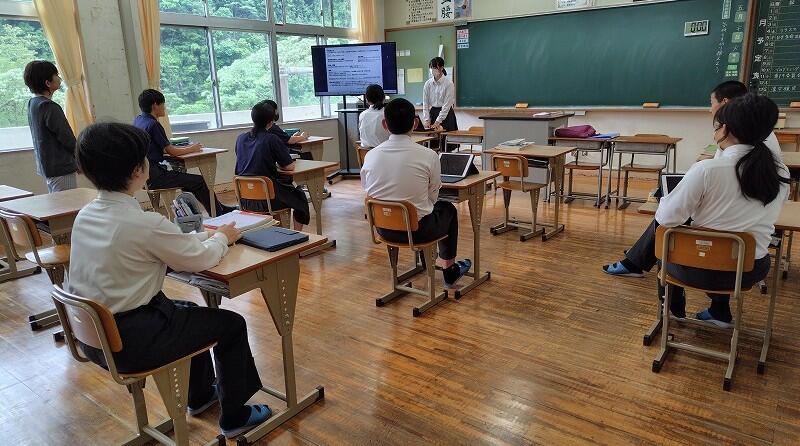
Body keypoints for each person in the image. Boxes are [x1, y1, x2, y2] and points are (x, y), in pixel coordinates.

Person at [68, 122, 271, 439]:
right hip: (132, 342)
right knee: (231, 324)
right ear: (138, 169)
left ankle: (200, 395)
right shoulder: (142, 223)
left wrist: (209, 235)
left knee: (190, 312)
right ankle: (235, 416)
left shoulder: (87, 215)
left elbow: (168, 244)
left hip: (96, 338)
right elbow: (199, 259)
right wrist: (223, 239)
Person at [608, 94, 789, 327]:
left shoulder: (706, 170)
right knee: (722, 240)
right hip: (750, 269)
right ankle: (719, 313)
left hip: (698, 269)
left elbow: (666, 218)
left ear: (725, 130)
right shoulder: (780, 172)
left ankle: (672, 312)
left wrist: (669, 198)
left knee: (669, 239)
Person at [361, 98, 471, 287]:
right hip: (417, 232)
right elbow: (433, 195)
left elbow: (368, 189)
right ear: (414, 123)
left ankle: (411, 268)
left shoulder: (370, 155)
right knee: (447, 209)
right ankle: (449, 270)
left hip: (383, 229)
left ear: (384, 124)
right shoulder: (428, 155)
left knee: (422, 209)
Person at [133, 89, 232, 216]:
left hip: (144, 176)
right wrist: (192, 149)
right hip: (156, 176)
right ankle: (218, 212)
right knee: (199, 181)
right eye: (163, 104)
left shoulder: (138, 120)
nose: (164, 107)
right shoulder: (153, 124)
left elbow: (161, 147)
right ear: (155, 105)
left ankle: (217, 209)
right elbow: (171, 151)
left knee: (188, 181)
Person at [235, 101, 310, 230]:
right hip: (269, 198)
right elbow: (289, 167)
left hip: (244, 198)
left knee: (284, 191)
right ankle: (297, 235)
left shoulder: (240, 138)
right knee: (300, 196)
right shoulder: (271, 138)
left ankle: (278, 231)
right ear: (270, 122)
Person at [24, 60, 78, 193]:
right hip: (61, 167)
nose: (59, 78)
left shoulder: (33, 103)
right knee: (67, 203)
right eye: (56, 75)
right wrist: (81, 158)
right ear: (48, 83)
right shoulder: (49, 106)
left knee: (57, 202)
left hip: (48, 167)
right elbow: (66, 137)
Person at [699, 80, 782, 162]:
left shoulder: (738, 130)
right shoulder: (755, 126)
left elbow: (732, 160)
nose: (710, 109)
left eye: (712, 103)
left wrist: (704, 164)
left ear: (725, 102)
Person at [422, 57, 458, 152]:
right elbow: (425, 103)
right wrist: (427, 119)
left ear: (441, 68)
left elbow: (447, 105)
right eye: (431, 68)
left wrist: (438, 122)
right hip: (433, 112)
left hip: (446, 114)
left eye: (435, 67)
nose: (432, 70)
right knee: (432, 145)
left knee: (446, 146)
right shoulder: (428, 84)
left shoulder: (449, 84)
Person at [358, 84, 390, 148]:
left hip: (364, 153)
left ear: (367, 99)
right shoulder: (388, 114)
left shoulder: (362, 115)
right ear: (384, 97)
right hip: (384, 152)